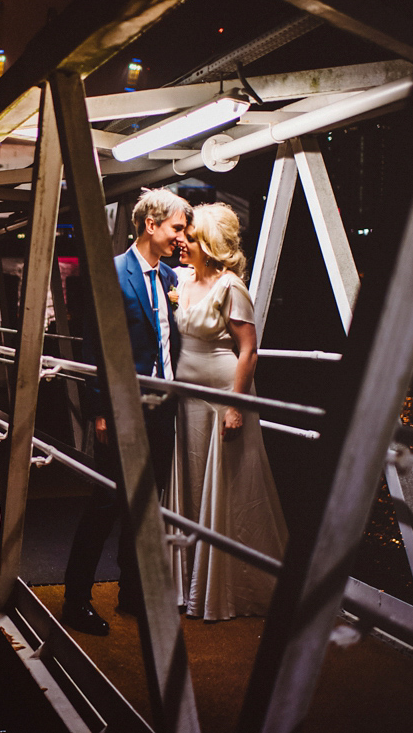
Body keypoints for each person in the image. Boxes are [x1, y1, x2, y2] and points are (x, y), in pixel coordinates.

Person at [61, 188, 191, 636]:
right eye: (177, 227)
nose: (182, 236)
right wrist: (99, 411)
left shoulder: (173, 280)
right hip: (122, 407)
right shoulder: (113, 274)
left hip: (162, 407)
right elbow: (96, 346)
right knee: (107, 501)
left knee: (147, 503)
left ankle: (132, 594)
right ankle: (74, 599)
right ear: (150, 225)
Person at [167, 202, 287, 620]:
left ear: (209, 243)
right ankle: (187, 581)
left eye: (190, 235)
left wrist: (235, 407)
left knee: (227, 486)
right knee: (193, 481)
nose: (181, 240)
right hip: (186, 399)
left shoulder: (230, 286)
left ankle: (227, 587)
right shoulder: (182, 279)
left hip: (220, 397)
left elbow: (249, 350)